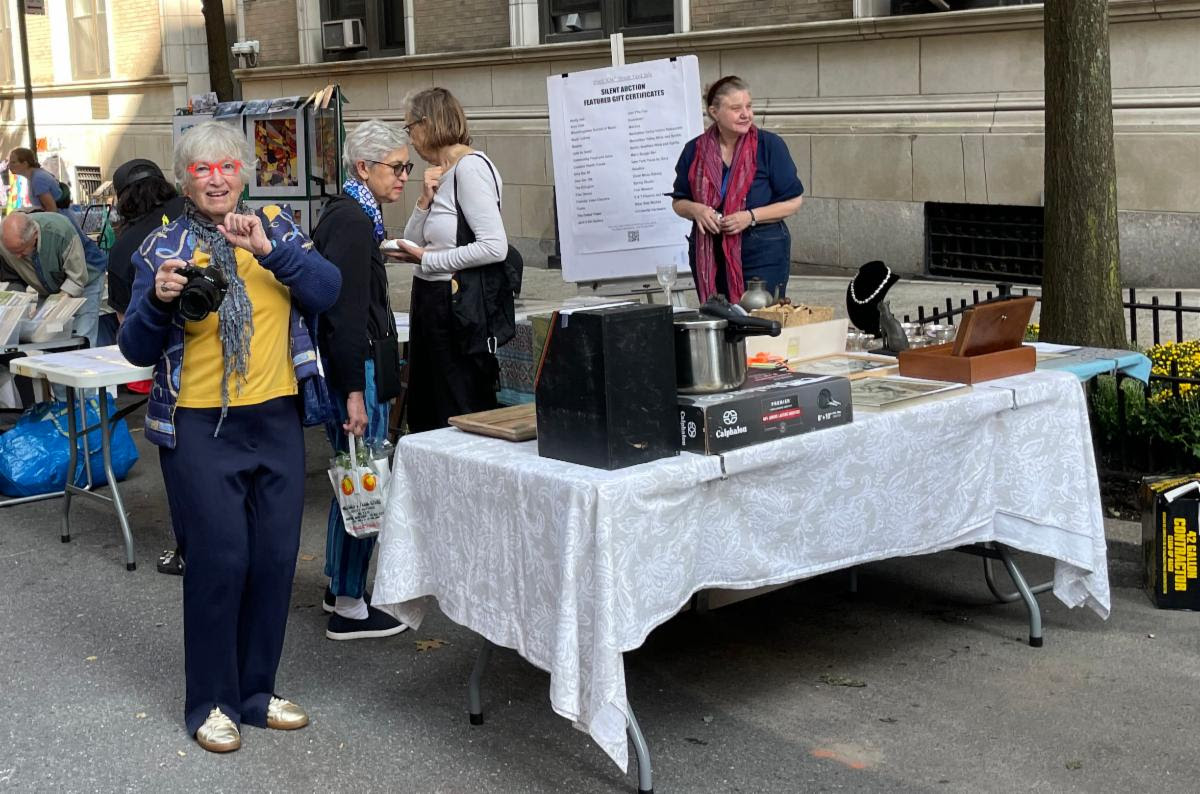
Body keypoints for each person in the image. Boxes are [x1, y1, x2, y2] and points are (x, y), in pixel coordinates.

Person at [117, 121, 341, 754]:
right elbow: (136, 349)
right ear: (185, 178)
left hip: (274, 418)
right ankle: (209, 702)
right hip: (198, 424)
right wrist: (157, 301)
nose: (216, 179)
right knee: (220, 563)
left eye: (227, 167)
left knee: (273, 561)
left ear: (244, 172)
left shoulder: (276, 227)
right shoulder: (165, 246)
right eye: (201, 169)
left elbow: (327, 291)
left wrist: (272, 251)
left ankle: (255, 692)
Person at [310, 119, 411, 640]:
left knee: (352, 477)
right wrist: (352, 389)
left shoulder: (354, 216)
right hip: (358, 370)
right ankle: (349, 603)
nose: (403, 177)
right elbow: (344, 312)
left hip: (358, 366)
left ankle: (339, 586)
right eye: (396, 167)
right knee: (361, 480)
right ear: (362, 168)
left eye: (406, 167)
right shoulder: (352, 221)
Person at [388, 87, 508, 432]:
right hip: (430, 300)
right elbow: (411, 241)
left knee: (455, 408)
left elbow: (494, 246)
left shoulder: (470, 169)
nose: (410, 139)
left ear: (427, 124)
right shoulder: (443, 171)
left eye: (409, 128)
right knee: (428, 410)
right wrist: (424, 201)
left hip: (455, 305)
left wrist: (428, 258)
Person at [107, 158, 187, 574]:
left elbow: (131, 335)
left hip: (175, 379)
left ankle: (186, 549)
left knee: (183, 469)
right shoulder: (194, 216)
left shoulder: (124, 249)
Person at [671, 75, 805, 304]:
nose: (746, 114)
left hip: (763, 248)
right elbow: (679, 201)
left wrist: (749, 217)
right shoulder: (694, 150)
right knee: (721, 319)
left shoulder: (769, 145)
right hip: (710, 251)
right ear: (714, 112)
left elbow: (794, 201)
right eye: (736, 108)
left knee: (761, 319)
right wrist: (697, 210)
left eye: (749, 106)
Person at [0, 211, 105, 345]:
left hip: (86, 277)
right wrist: (17, 307)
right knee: (43, 336)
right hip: (48, 285)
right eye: (12, 252)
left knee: (82, 336)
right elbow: (13, 277)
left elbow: (76, 279)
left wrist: (55, 306)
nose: (18, 257)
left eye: (21, 251)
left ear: (35, 235)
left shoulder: (60, 231)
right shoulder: (5, 243)